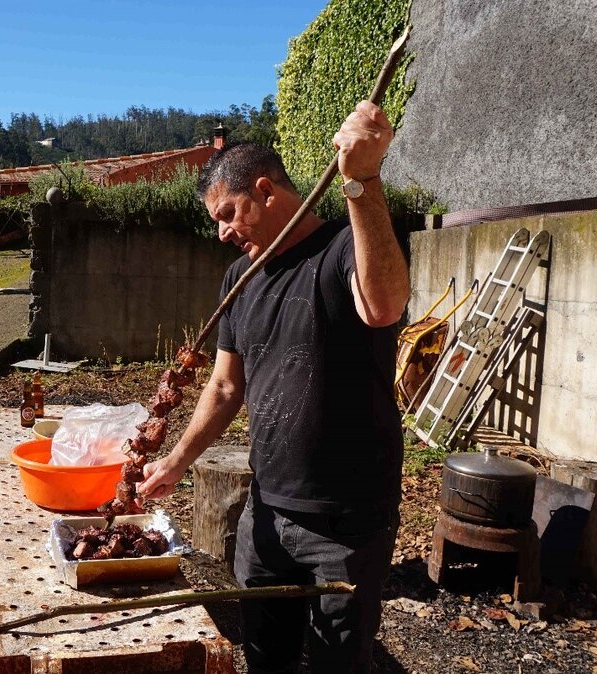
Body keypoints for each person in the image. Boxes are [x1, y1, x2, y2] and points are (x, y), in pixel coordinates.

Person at [137, 100, 410, 673]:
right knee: (265, 657)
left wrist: (363, 181)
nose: (222, 233)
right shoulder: (240, 278)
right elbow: (224, 386)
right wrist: (176, 462)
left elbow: (383, 306)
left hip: (347, 519)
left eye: (228, 213)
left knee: (338, 662)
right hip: (266, 508)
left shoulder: (343, 247)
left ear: (265, 191)